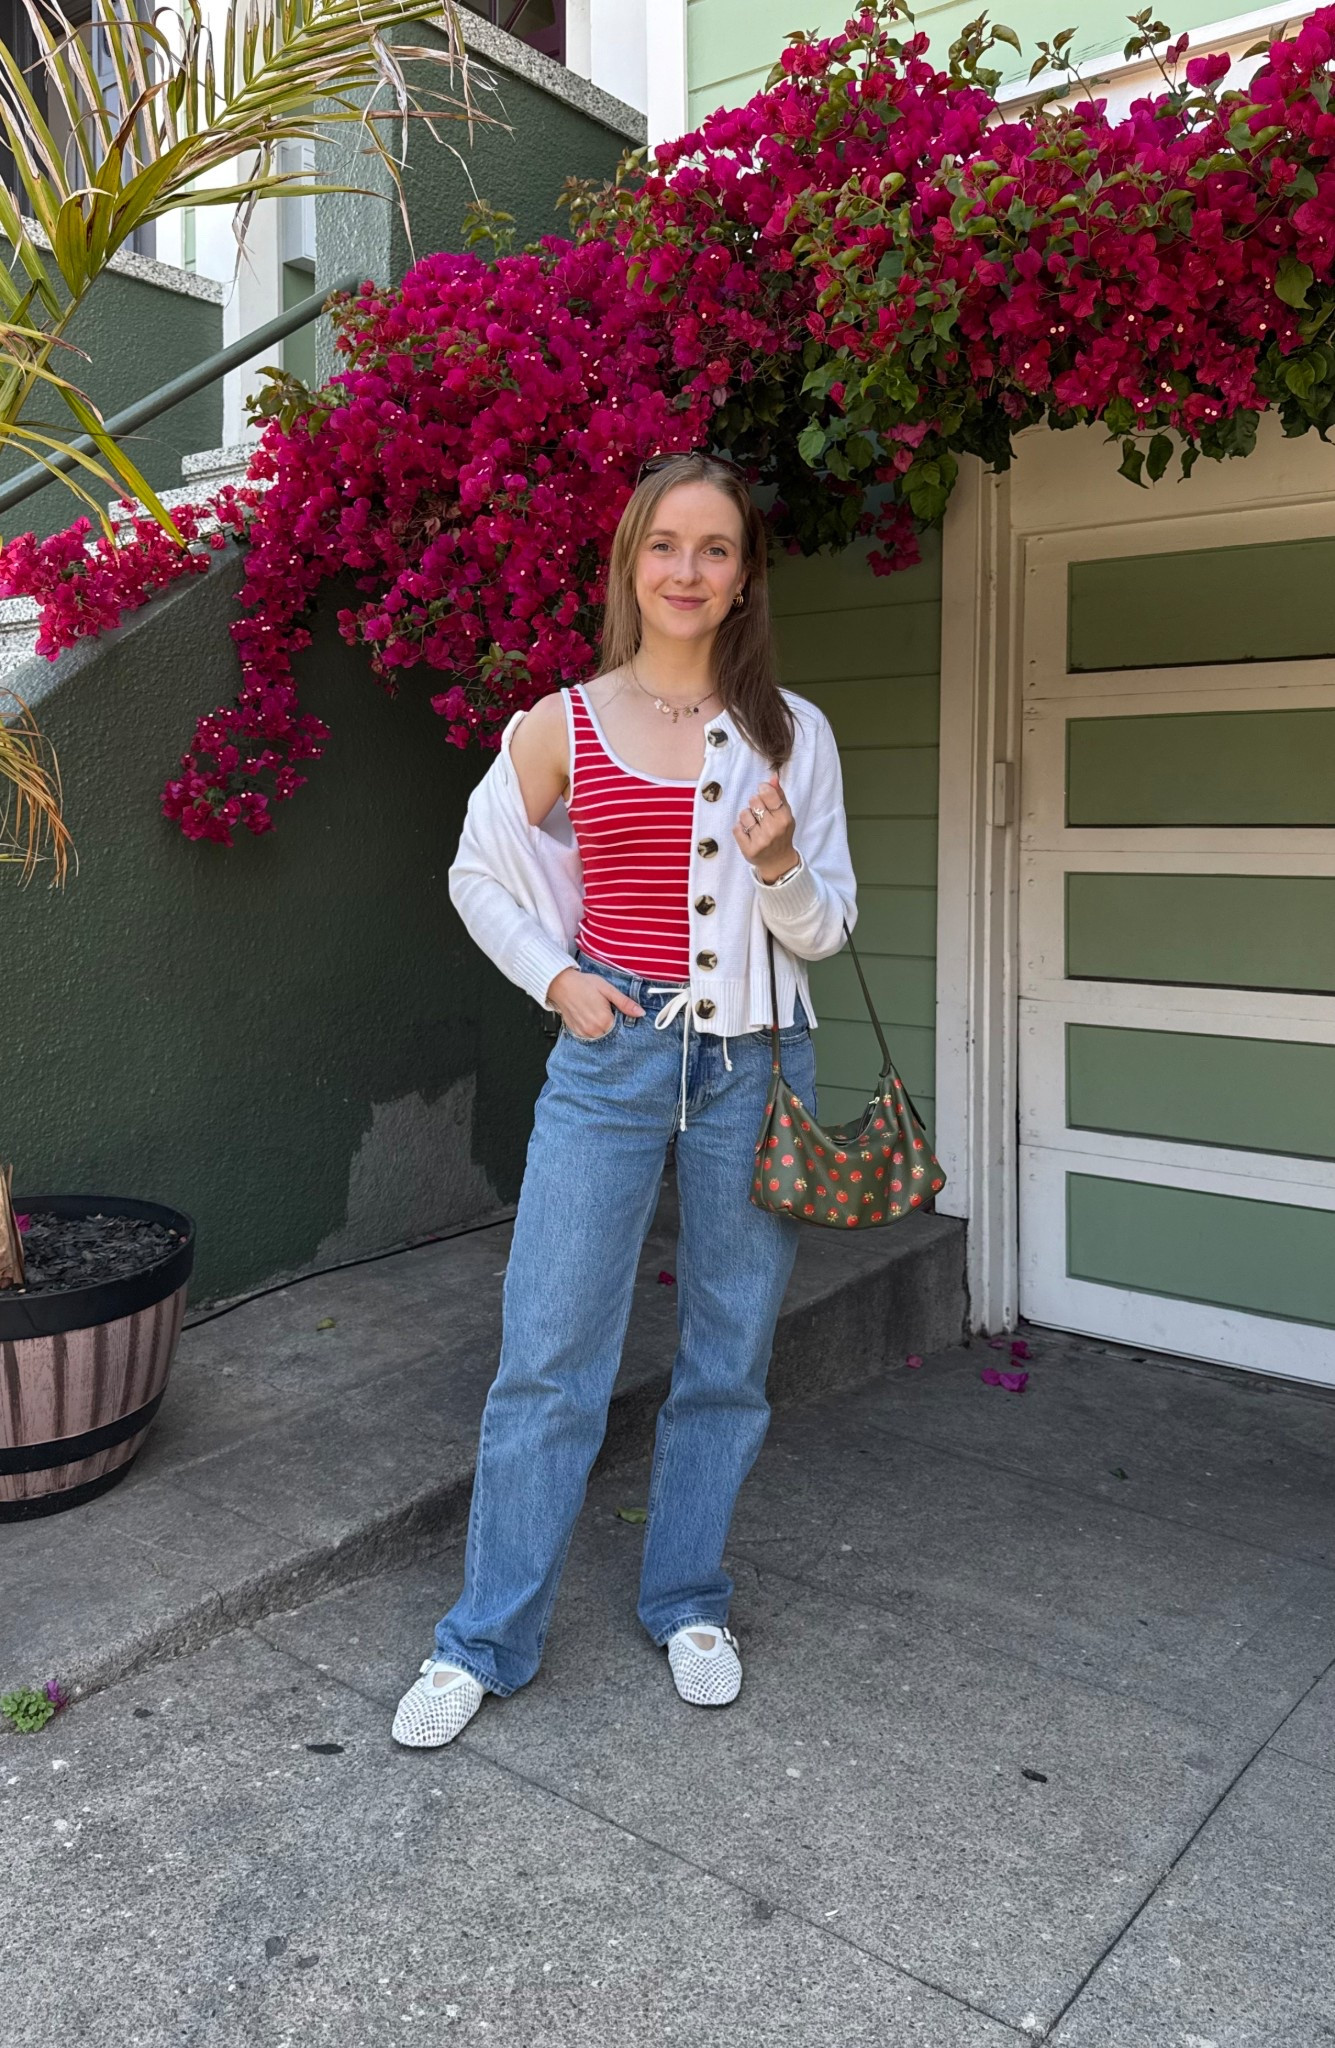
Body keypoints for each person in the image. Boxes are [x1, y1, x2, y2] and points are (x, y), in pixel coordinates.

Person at [392, 451, 856, 1747]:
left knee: (731, 1350)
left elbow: (826, 931)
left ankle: (689, 1599)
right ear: (629, 563)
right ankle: (484, 1637)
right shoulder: (562, 723)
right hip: (612, 1058)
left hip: (757, 1063)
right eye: (665, 545)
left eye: (715, 549)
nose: (686, 571)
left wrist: (780, 868)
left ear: (745, 575)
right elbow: (480, 870)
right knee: (549, 1352)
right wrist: (559, 980)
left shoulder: (792, 734)